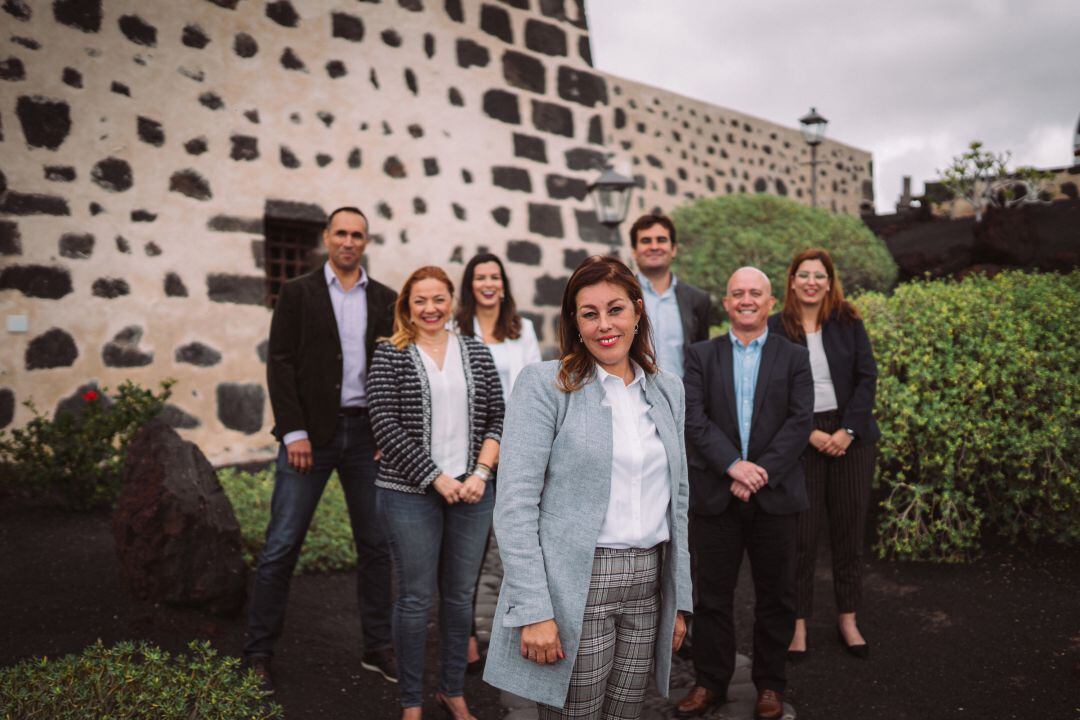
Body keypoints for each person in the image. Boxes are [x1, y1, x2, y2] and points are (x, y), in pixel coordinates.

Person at [484, 255, 693, 720]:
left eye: (615, 309)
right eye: (589, 313)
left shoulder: (668, 390)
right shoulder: (545, 386)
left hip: (649, 584)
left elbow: (678, 501)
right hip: (578, 584)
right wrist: (534, 610)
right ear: (574, 323)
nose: (605, 325)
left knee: (626, 714)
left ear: (638, 312)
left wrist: (681, 599)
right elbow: (516, 505)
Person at [247, 206, 396, 693]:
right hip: (309, 437)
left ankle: (378, 647)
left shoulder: (387, 300)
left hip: (366, 440)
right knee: (281, 545)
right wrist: (294, 432)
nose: (348, 241)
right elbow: (281, 363)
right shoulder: (297, 293)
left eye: (357, 234)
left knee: (376, 546)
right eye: (341, 233)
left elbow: (396, 371)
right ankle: (258, 653)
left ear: (366, 242)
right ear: (327, 238)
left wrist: (386, 435)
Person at [368, 266, 504, 720]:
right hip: (409, 494)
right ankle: (410, 701)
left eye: (438, 299)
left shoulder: (475, 351)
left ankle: (451, 690)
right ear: (407, 305)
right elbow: (384, 423)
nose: (430, 309)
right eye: (420, 301)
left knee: (459, 598)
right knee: (414, 599)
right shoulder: (390, 353)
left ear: (452, 303)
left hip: (472, 492)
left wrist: (481, 473)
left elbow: (498, 416)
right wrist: (435, 477)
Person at [677, 267, 813, 720]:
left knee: (776, 597)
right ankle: (710, 682)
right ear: (727, 303)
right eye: (738, 293)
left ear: (771, 302)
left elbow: (799, 421)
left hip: (775, 496)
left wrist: (760, 472)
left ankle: (770, 685)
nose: (746, 299)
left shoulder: (794, 357)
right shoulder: (699, 355)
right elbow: (693, 418)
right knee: (712, 597)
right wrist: (732, 465)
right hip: (717, 493)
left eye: (755, 293)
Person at [768, 248, 880, 661]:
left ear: (829, 282)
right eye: (804, 274)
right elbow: (773, 392)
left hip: (851, 438)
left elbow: (867, 377)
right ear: (792, 281)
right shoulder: (776, 328)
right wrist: (809, 434)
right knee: (802, 537)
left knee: (849, 534)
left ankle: (848, 618)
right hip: (803, 437)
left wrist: (847, 431)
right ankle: (797, 623)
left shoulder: (848, 321)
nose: (812, 282)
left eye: (820, 275)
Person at [454, 252, 542, 672]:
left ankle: (524, 631)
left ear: (503, 284)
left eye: (495, 276)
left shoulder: (521, 329)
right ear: (470, 284)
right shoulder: (456, 329)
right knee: (469, 549)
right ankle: (468, 635)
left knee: (519, 544)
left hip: (518, 445)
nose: (488, 283)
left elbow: (532, 387)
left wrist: (515, 440)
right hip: (467, 448)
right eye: (480, 277)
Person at [629, 213, 711, 378]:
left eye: (661, 240)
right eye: (646, 241)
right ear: (634, 251)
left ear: (673, 249)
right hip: (632, 397)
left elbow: (702, 357)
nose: (654, 246)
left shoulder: (697, 300)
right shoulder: (622, 296)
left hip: (683, 399)